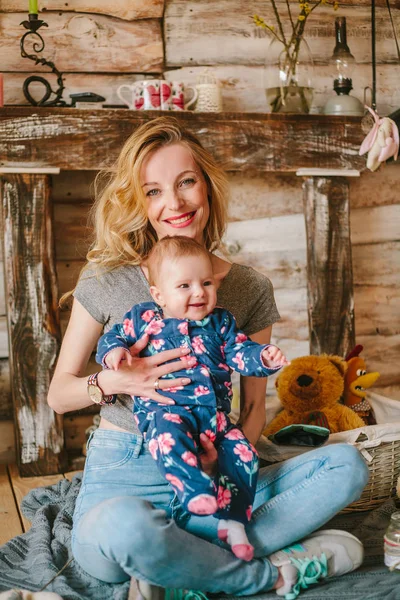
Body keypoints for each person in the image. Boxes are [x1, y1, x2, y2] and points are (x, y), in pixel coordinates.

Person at [48, 116, 369, 599]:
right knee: (122, 527)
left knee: (348, 465)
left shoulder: (247, 287)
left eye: (185, 183)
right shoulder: (108, 278)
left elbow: (255, 408)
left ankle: (178, 566)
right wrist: (120, 382)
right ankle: (267, 573)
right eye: (153, 191)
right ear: (139, 203)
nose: (173, 204)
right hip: (127, 467)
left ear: (208, 187)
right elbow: (58, 395)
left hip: (215, 471)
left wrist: (222, 460)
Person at [96, 235, 289, 562]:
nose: (199, 292)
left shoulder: (222, 322)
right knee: (168, 442)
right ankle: (193, 491)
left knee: (244, 453)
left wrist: (264, 358)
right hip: (165, 410)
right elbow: (113, 336)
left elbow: (240, 353)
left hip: (215, 419)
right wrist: (115, 352)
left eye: (206, 283)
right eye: (184, 286)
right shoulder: (144, 318)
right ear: (159, 294)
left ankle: (233, 522)